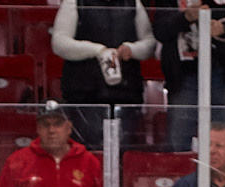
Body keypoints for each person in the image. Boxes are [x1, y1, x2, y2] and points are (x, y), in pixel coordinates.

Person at [51, 0, 154, 150]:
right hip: (85, 94)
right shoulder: (75, 2)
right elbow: (59, 43)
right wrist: (97, 51)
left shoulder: (133, 2)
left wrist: (132, 49)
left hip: (126, 93)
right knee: (88, 153)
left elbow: (150, 42)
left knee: (123, 152)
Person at [149, 2, 225, 152]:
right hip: (183, 74)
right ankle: (181, 173)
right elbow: (160, 30)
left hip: (224, 71)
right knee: (178, 138)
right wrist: (185, 18)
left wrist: (224, 28)